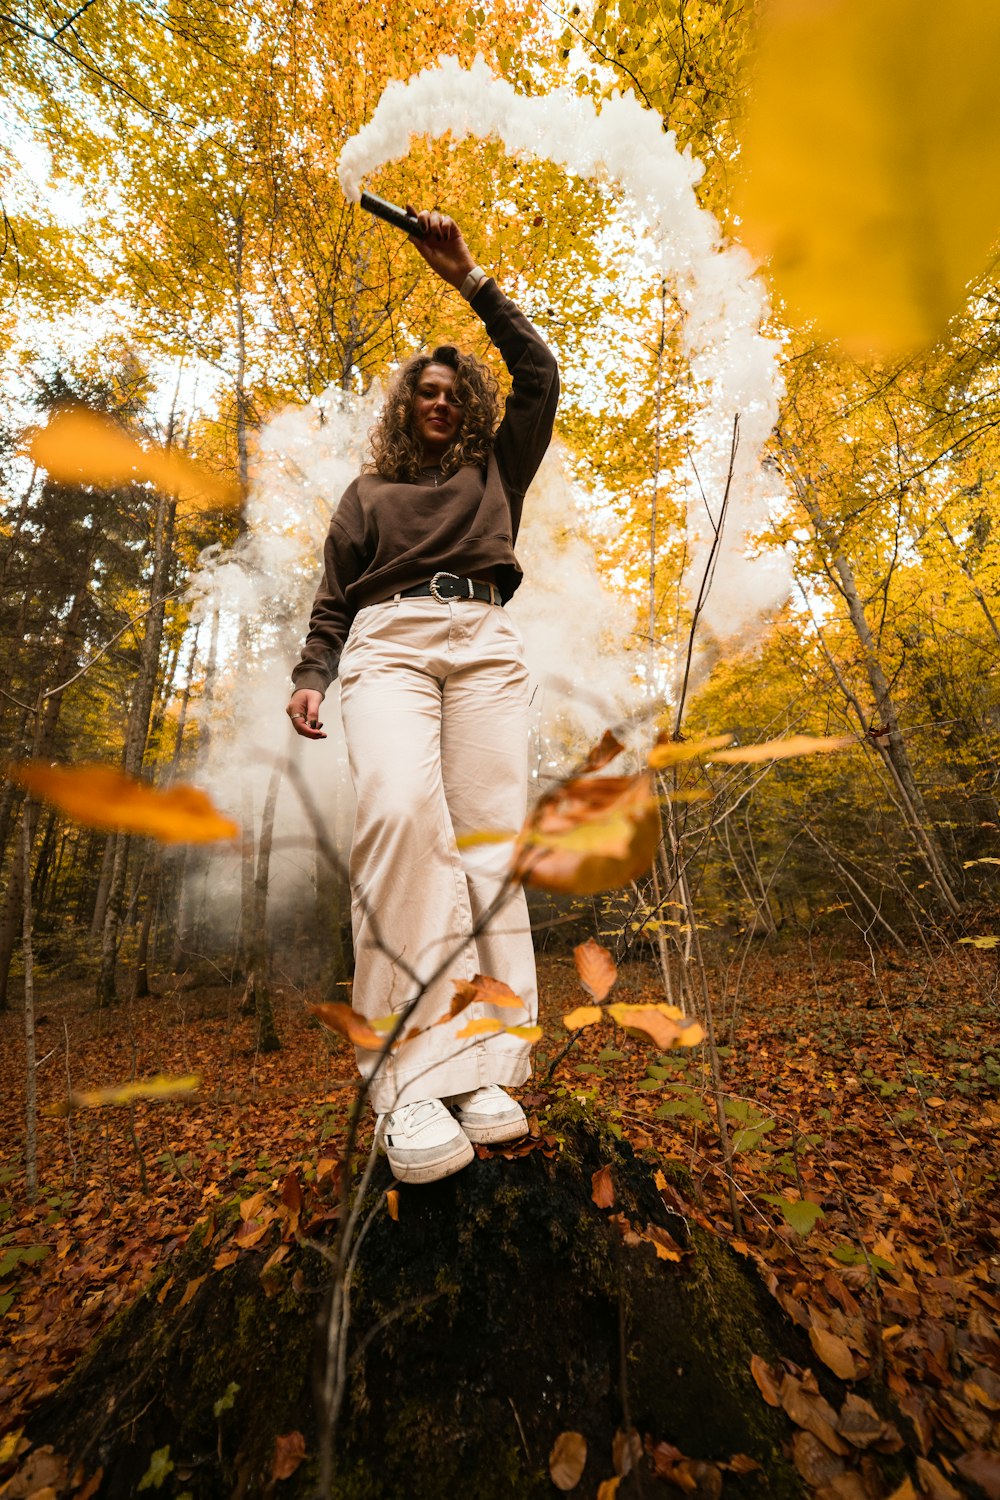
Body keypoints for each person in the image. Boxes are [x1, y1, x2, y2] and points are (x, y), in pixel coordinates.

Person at [287, 207, 559, 1184]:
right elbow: (328, 604)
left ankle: (486, 1061)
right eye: (423, 392)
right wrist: (311, 676)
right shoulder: (366, 498)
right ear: (404, 408)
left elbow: (542, 376)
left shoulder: (497, 469)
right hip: (389, 644)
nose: (437, 401)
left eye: (451, 391)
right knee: (402, 816)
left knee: (487, 841)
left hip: (486, 642)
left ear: (469, 405)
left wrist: (469, 279)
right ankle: (403, 1075)